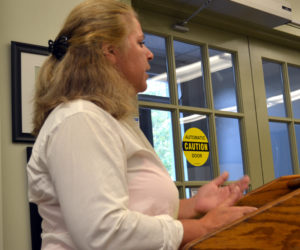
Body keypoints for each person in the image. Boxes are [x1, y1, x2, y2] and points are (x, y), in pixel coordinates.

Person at [26, 0, 257, 249]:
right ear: (110, 52)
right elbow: (103, 234)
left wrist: (193, 206)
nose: (149, 53)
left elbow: (137, 210)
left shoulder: (111, 120)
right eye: (140, 42)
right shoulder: (80, 119)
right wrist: (203, 226)